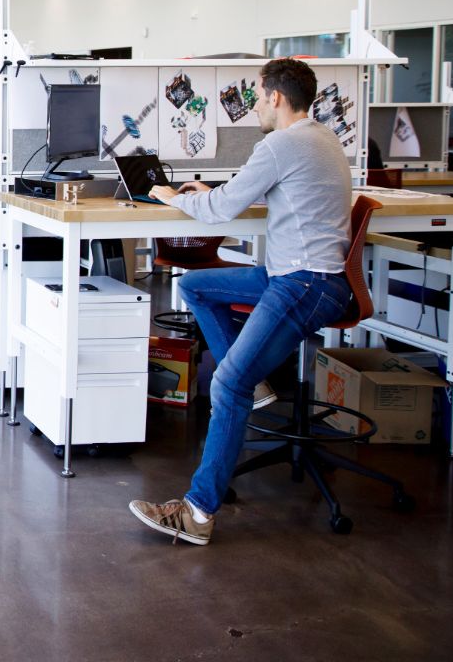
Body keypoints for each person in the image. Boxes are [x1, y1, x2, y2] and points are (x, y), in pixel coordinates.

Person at [130, 58, 352, 546]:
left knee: (227, 383)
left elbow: (219, 212)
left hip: (305, 284)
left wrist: (169, 196)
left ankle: (198, 513)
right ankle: (254, 385)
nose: (255, 105)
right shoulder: (323, 137)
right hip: (299, 276)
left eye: (257, 95)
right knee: (195, 286)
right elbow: (252, 196)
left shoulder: (280, 143)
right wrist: (217, 191)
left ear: (274, 96)